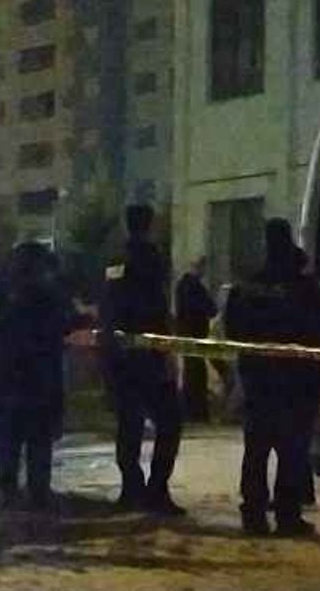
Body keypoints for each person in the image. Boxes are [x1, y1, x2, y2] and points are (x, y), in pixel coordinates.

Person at [224, 218, 320, 536]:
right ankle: (288, 516)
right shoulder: (303, 287)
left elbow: (232, 331)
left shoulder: (247, 287)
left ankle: (253, 515)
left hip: (258, 382)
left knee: (256, 450)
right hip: (297, 383)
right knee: (292, 452)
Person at [104, 204, 185, 515]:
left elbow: (108, 305)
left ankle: (132, 489)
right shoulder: (151, 257)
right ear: (150, 225)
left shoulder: (115, 259)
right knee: (170, 422)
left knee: (129, 424)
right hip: (149, 355)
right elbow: (158, 307)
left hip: (121, 356)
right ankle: (156, 490)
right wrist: (167, 351)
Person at [0, 241, 83, 511]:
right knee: (39, 436)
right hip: (41, 373)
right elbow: (65, 322)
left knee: (10, 435)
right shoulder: (48, 293)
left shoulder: (5, 290)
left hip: (10, 372)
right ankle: (38, 491)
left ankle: (8, 489)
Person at [175, 256, 218, 422]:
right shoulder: (196, 287)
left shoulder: (181, 285)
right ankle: (198, 411)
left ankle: (189, 410)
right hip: (196, 335)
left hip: (186, 335)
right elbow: (211, 309)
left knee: (190, 372)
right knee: (197, 374)